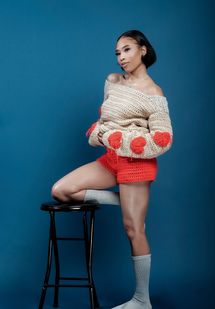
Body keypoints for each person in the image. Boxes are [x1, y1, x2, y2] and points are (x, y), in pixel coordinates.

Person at [51, 29, 173, 309]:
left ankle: (142, 300)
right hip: (112, 158)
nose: (121, 57)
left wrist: (124, 139)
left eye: (127, 50)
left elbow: (162, 139)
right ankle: (125, 201)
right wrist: (105, 134)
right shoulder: (113, 81)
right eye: (118, 52)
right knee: (61, 190)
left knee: (134, 229)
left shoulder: (154, 94)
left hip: (136, 163)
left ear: (143, 49)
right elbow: (104, 119)